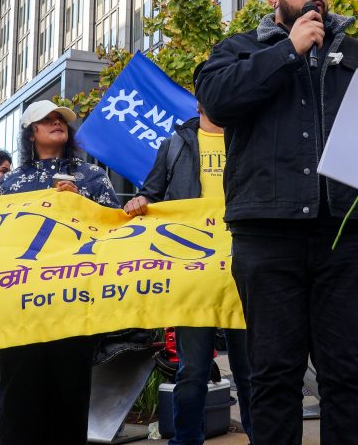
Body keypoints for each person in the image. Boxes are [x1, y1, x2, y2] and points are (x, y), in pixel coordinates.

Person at [196, 0, 358, 445]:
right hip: (267, 234)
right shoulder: (236, 51)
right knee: (274, 373)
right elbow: (216, 103)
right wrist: (286, 51)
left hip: (347, 235)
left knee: (345, 373)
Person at [123, 67, 254, 445]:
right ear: (199, 100)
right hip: (191, 270)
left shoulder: (249, 138)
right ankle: (186, 440)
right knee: (193, 369)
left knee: (250, 371)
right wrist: (141, 202)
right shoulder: (175, 143)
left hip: (242, 268)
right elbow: (151, 193)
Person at [0, 100, 119, 445]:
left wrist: (82, 205)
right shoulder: (11, 183)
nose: (56, 123)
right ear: (30, 133)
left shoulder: (93, 177)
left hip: (73, 303)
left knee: (70, 396)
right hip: (22, 305)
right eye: (46, 120)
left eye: (60, 120)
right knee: (20, 398)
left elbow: (115, 233)